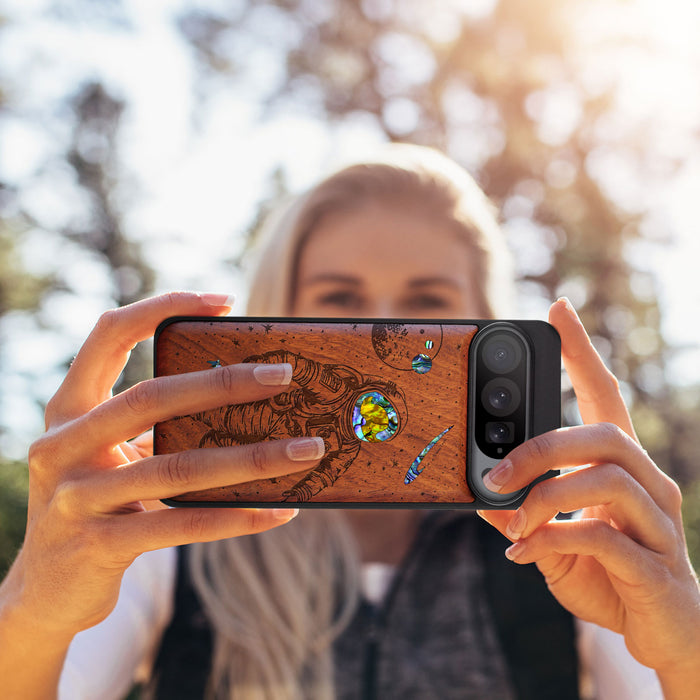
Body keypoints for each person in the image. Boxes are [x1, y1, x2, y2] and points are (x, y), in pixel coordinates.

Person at [0, 145, 698, 700]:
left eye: (428, 302)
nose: (384, 335)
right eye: (340, 302)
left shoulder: (566, 544)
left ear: (486, 324)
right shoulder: (170, 536)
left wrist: (685, 648)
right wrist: (34, 607)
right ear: (278, 315)